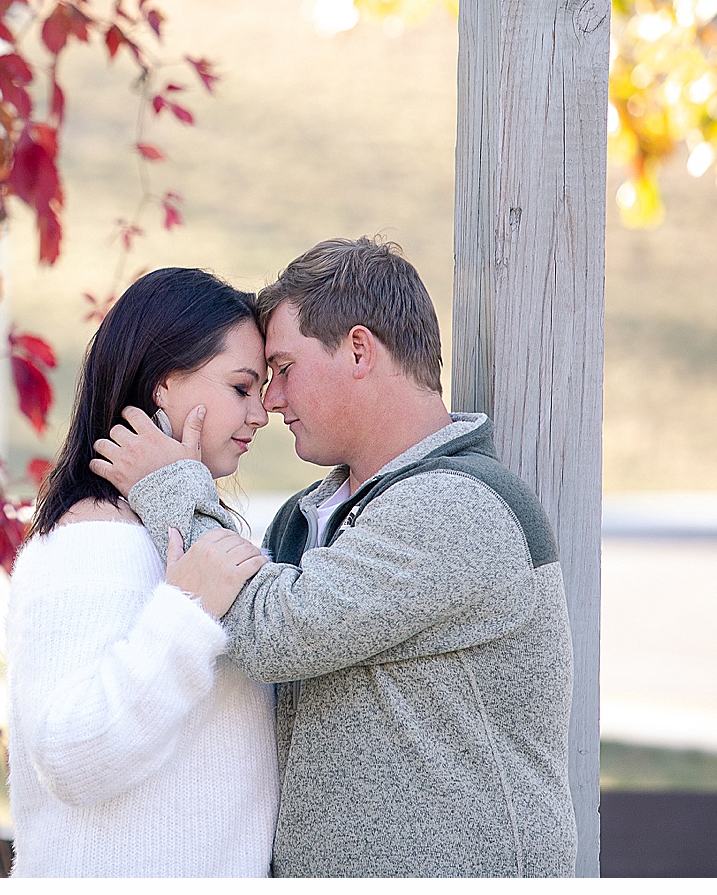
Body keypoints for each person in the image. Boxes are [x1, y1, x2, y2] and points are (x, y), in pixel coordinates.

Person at [90, 237, 577, 878]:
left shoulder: (458, 507)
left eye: (284, 369)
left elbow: (268, 634)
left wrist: (171, 486)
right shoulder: (307, 515)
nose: (270, 401)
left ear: (356, 350)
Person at [4, 267, 278, 877]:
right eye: (241, 387)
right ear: (163, 384)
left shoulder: (186, 529)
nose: (261, 412)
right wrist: (186, 616)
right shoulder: (93, 539)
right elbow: (71, 755)